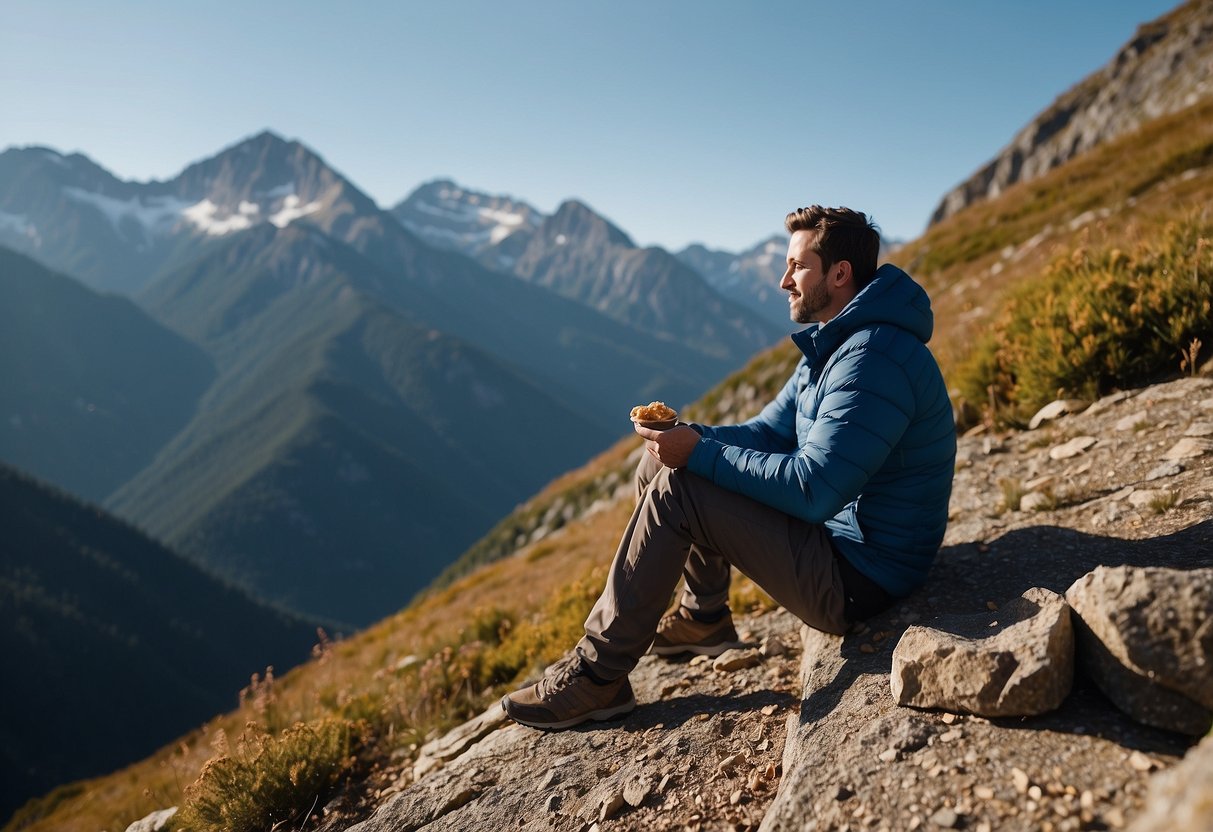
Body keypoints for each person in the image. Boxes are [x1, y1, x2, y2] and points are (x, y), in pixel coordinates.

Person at [502, 205, 956, 730]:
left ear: (839, 273)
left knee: (681, 489)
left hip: (861, 577)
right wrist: (689, 438)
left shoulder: (872, 359)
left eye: (797, 266)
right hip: (841, 545)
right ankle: (705, 617)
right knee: (656, 469)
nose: (784, 280)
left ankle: (597, 676)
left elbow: (814, 489)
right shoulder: (837, 344)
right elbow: (766, 433)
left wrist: (697, 455)